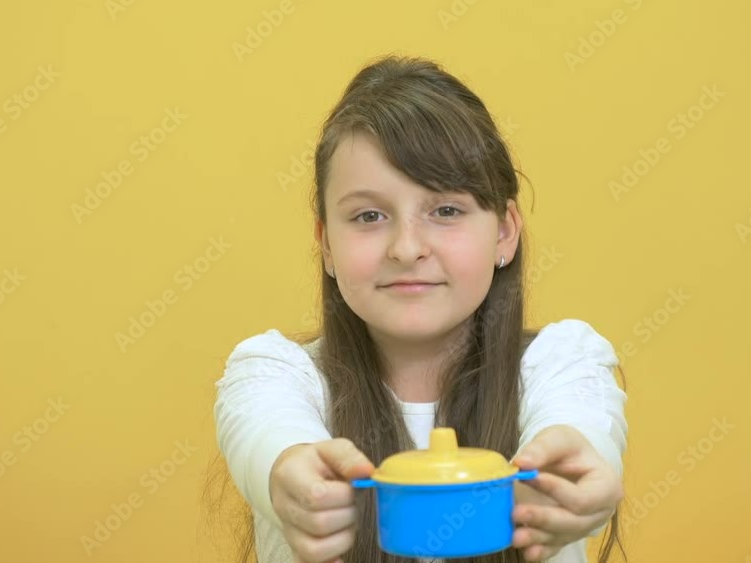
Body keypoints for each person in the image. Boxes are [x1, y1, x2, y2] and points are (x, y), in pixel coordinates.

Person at [214, 54, 628, 563]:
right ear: (326, 244)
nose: (407, 249)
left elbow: (582, 428)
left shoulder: (563, 361)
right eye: (369, 216)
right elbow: (267, 436)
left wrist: (571, 475)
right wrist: (291, 476)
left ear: (504, 231)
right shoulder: (272, 373)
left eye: (446, 210)